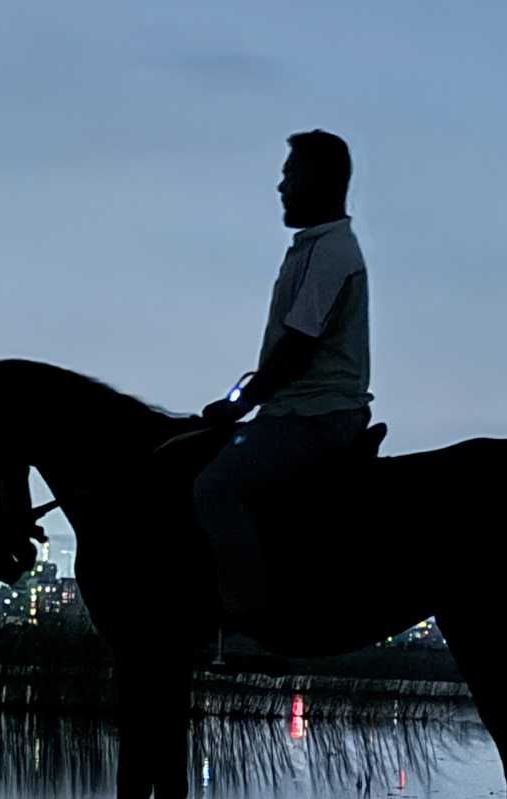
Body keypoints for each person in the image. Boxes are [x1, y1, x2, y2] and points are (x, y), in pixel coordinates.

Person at [192, 129, 372, 625]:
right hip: (298, 410)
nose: (281, 186)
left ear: (317, 179)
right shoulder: (314, 247)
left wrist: (241, 403)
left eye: (290, 174)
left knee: (216, 490)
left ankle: (251, 619)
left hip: (316, 415)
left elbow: (298, 345)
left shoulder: (330, 252)